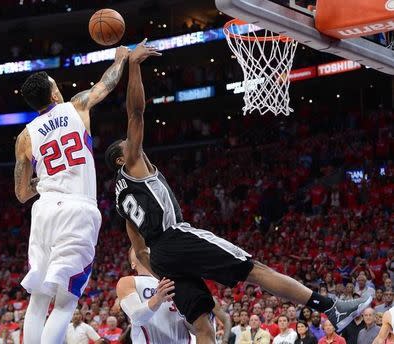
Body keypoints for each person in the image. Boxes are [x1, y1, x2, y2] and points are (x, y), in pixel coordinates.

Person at [106, 38, 372, 344]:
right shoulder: (133, 164)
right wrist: (135, 66)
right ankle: (331, 307)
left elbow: (139, 251)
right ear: (120, 158)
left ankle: (331, 306)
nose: (136, 145)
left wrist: (165, 270)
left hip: (162, 259)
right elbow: (136, 114)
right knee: (254, 269)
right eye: (129, 145)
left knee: (204, 327)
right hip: (175, 237)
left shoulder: (119, 199)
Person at [16, 45, 129, 344]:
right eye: (57, 86)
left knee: (38, 299)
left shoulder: (24, 136)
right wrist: (120, 59)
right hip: (77, 210)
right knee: (66, 301)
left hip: (43, 210)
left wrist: (41, 181)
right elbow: (108, 83)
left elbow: (21, 194)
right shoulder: (76, 106)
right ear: (54, 95)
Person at [116, 247, 192, 343]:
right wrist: (158, 298)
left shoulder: (175, 282)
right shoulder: (128, 281)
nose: (143, 245)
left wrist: (186, 310)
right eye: (137, 245)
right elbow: (136, 317)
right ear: (133, 264)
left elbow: (195, 329)